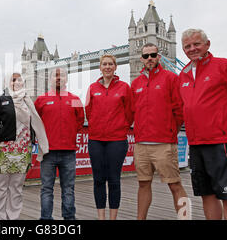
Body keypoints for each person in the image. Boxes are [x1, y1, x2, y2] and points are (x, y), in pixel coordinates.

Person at [180, 28, 227, 220]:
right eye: (187, 46)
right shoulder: (183, 74)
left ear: (207, 44)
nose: (192, 49)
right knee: (207, 194)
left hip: (221, 142)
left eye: (196, 44)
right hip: (196, 143)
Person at [131, 43, 189, 220]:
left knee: (175, 185)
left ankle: (184, 218)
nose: (150, 59)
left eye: (153, 55)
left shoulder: (171, 78)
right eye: (146, 56)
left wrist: (170, 131)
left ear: (159, 56)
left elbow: (180, 110)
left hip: (164, 143)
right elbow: (131, 111)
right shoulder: (136, 83)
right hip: (141, 144)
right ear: (141, 58)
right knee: (143, 184)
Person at [0, 72, 49, 220]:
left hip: (23, 149)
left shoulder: (28, 101)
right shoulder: (0, 100)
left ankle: (13, 218)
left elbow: (35, 122)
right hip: (2, 149)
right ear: (7, 82)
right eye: (13, 79)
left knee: (16, 188)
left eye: (19, 79)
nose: (17, 82)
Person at [85, 55, 133, 220]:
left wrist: (119, 127)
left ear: (115, 67)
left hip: (117, 140)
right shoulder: (92, 88)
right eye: (104, 64)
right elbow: (88, 111)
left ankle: (113, 217)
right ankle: (101, 217)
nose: (107, 67)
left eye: (110, 64)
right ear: (100, 67)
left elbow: (130, 113)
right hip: (96, 139)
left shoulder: (124, 87)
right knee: (98, 179)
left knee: (114, 180)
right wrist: (96, 125)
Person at [34, 67, 84, 220]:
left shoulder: (75, 99)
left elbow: (80, 121)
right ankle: (46, 220)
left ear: (66, 79)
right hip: (47, 152)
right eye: (55, 76)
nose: (58, 78)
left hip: (69, 152)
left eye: (61, 75)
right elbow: (35, 122)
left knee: (68, 189)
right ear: (49, 80)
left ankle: (69, 219)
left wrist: (69, 133)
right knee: (46, 189)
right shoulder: (41, 100)